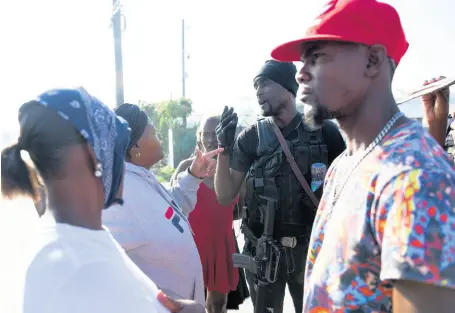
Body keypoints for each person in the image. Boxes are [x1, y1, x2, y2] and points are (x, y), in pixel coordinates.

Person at [270, 0, 455, 312]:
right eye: (302, 61)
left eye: (316, 57)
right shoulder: (345, 164)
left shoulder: (415, 177)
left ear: (372, 60)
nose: (300, 74)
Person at [1, 88, 205, 313]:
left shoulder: (78, 239)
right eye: (117, 150)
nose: (123, 166)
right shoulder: (81, 265)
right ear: (92, 157)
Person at [214, 60, 346, 313]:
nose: (258, 91)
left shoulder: (324, 131)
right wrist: (224, 150)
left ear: (289, 86)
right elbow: (224, 195)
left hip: (310, 250)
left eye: (264, 83)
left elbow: (345, 190)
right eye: (255, 86)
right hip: (264, 253)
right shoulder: (251, 137)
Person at [102, 103, 222, 306]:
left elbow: (169, 208)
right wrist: (159, 302)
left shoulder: (139, 178)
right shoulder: (121, 194)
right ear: (136, 144)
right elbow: (105, 267)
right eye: (155, 132)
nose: (160, 138)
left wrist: (193, 175)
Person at [172, 116, 242, 313]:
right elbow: (172, 203)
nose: (211, 139)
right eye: (206, 134)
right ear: (199, 137)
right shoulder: (187, 166)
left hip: (221, 244)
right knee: (188, 300)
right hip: (192, 243)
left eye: (215, 133)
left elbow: (242, 207)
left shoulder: (233, 169)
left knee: (218, 304)